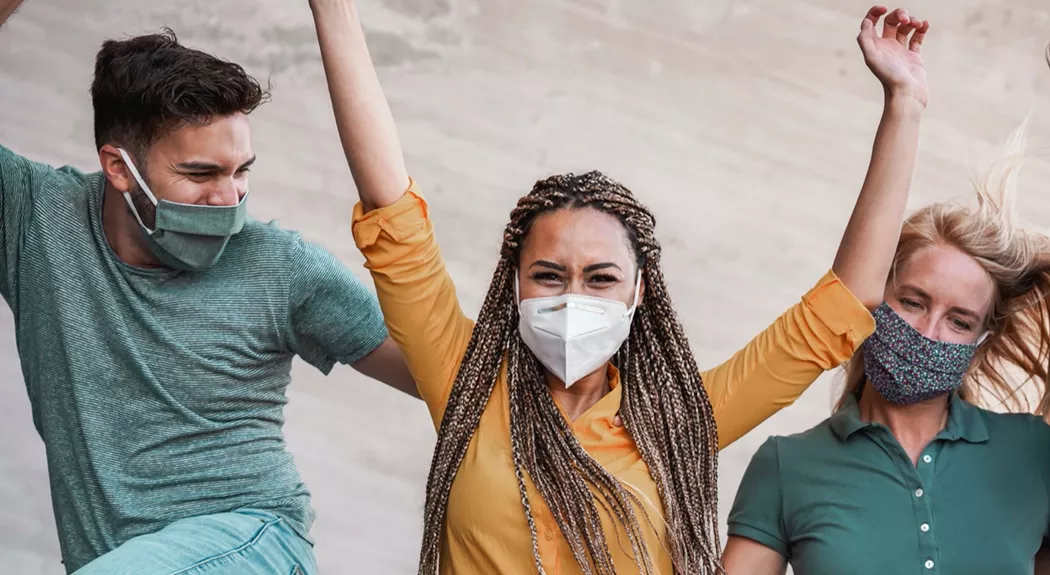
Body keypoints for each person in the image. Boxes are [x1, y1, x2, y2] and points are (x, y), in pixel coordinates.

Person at [308, 0, 927, 572]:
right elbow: (392, 213)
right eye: (548, 275)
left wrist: (904, 104)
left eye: (601, 278)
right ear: (513, 289)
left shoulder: (681, 420)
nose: (573, 295)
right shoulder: (465, 385)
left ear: (639, 293)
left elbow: (844, 306)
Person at [0, 2, 417, 574]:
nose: (229, 199)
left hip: (256, 541)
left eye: (241, 170)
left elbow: (443, 372)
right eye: (201, 175)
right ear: (118, 167)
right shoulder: (33, 218)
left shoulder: (280, 267)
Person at [722, 9, 1050, 575]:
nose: (927, 332)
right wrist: (904, 104)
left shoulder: (1033, 455)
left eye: (959, 321)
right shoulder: (787, 465)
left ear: (982, 337)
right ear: (877, 298)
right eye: (913, 302)